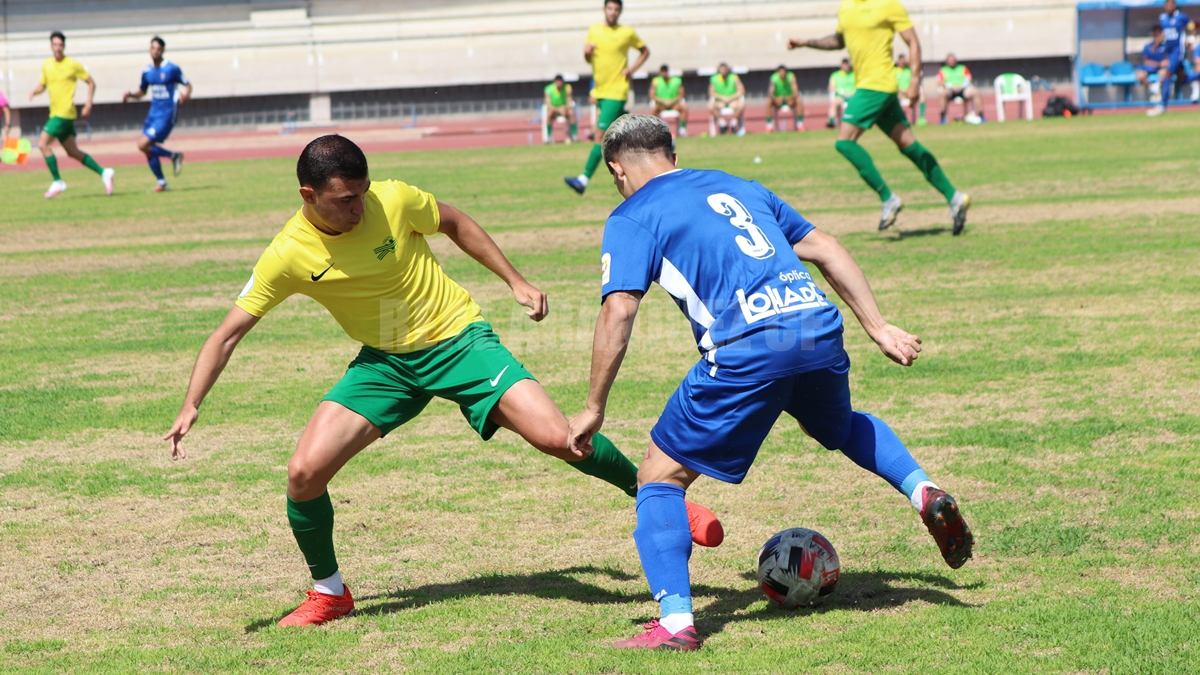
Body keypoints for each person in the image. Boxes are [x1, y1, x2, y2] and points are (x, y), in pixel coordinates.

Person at [163, 135, 721, 628]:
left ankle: (655, 495)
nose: (360, 207)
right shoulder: (287, 254)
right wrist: (192, 404)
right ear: (309, 196)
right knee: (303, 474)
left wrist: (515, 281)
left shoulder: (392, 197)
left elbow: (452, 221)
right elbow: (228, 333)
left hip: (459, 339)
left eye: (362, 193)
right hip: (386, 362)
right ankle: (329, 593)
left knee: (560, 438)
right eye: (345, 200)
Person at [566, 114, 974, 651]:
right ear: (673, 153)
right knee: (837, 426)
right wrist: (878, 327)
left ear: (616, 169)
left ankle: (674, 624)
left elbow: (618, 310)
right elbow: (825, 247)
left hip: (749, 345)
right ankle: (923, 491)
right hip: (816, 324)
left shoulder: (630, 215)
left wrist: (594, 406)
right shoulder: (738, 185)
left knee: (658, 479)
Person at [788, 0, 972, 234]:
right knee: (909, 145)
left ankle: (889, 198)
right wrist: (805, 42)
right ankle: (954, 197)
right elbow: (838, 40)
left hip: (875, 86)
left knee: (844, 142)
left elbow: (913, 41)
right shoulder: (846, 7)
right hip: (876, 88)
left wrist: (915, 80)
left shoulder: (888, 5)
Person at [564, 0, 648, 195]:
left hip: (616, 90)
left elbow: (645, 51)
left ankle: (583, 179)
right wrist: (586, 53)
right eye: (610, 8)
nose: (613, 12)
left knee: (600, 135)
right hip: (600, 91)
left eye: (616, 9)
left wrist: (631, 69)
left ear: (620, 12)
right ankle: (665, 141)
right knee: (627, 125)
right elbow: (589, 58)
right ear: (605, 9)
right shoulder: (594, 30)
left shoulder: (626, 32)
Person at [28, 31, 114, 199]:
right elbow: (42, 84)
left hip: (64, 113)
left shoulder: (72, 64)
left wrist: (88, 104)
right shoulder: (47, 65)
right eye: (55, 45)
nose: (58, 48)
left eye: (60, 45)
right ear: (51, 46)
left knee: (43, 144)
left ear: (64, 46)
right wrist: (34, 92)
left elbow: (91, 82)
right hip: (56, 113)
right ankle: (104, 173)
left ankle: (58, 181)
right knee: (73, 152)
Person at [122, 36, 191, 191]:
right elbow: (143, 91)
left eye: (158, 49)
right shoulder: (147, 71)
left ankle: (173, 156)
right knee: (147, 148)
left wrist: (186, 95)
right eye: (153, 48)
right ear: (149, 49)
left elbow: (188, 84)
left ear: (163, 51)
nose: (155, 51)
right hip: (152, 114)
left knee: (142, 144)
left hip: (166, 114)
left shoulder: (172, 68)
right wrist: (131, 94)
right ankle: (162, 182)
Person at [1148, 0, 1191, 116]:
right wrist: (1155, 45)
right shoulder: (1162, 18)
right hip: (1170, 52)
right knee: (1183, 79)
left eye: (1171, 4)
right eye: (1167, 4)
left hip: (1178, 51)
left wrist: (1191, 39)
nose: (1169, 6)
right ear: (1165, 6)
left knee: (1167, 75)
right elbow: (1164, 33)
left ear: (1175, 5)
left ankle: (1162, 105)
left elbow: (1191, 27)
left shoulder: (1182, 17)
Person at [936, 53, 984, 124]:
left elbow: (969, 78)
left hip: (963, 88)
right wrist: (949, 86)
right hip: (950, 90)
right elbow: (939, 82)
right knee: (943, 94)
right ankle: (943, 118)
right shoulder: (943, 70)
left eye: (953, 60)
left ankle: (981, 115)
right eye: (950, 60)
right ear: (946, 61)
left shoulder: (962, 68)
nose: (951, 61)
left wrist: (962, 85)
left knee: (976, 92)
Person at [649, 64, 688, 136]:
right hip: (661, 105)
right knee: (654, 109)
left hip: (674, 104)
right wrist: (663, 101)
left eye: (665, 71)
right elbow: (652, 95)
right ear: (660, 72)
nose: (664, 73)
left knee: (684, 107)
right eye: (662, 72)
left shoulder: (676, 80)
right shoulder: (655, 81)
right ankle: (657, 130)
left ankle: (682, 129)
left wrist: (672, 101)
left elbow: (682, 94)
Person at [707, 62, 746, 135]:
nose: (723, 71)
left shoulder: (734, 77)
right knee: (710, 106)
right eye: (721, 69)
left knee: (741, 105)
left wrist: (731, 97)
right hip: (720, 102)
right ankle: (722, 123)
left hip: (733, 101)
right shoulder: (714, 79)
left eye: (725, 69)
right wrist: (722, 97)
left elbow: (742, 90)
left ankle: (733, 122)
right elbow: (711, 93)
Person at [764, 64, 803, 132]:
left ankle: (800, 124)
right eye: (780, 72)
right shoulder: (774, 78)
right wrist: (776, 99)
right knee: (768, 102)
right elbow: (770, 92)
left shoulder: (791, 77)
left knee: (799, 101)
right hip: (778, 101)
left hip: (790, 100)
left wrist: (791, 98)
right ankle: (769, 125)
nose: (782, 74)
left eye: (783, 72)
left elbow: (796, 91)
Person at [543, 74, 577, 144]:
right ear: (554, 82)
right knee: (549, 114)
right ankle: (548, 137)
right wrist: (558, 109)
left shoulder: (567, 88)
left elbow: (569, 101)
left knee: (571, 112)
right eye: (557, 81)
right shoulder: (548, 89)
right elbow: (548, 104)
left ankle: (574, 136)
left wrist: (565, 108)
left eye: (560, 81)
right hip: (554, 111)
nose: (559, 83)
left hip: (565, 110)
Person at [894, 54, 926, 126]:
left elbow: (919, 74)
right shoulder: (894, 71)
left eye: (903, 60)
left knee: (922, 96)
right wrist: (902, 91)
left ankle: (921, 119)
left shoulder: (910, 70)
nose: (902, 62)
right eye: (900, 60)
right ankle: (899, 120)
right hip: (899, 93)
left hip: (909, 92)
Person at [1137, 27, 1167, 97]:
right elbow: (1145, 61)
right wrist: (1157, 64)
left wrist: (1164, 63)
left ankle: (1157, 86)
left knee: (1165, 73)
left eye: (1159, 33)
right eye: (1156, 33)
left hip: (1160, 69)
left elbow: (1168, 59)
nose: (1158, 35)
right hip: (1148, 68)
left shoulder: (1165, 46)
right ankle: (1152, 87)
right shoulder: (1147, 46)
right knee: (1140, 75)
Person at [827, 58, 856, 128]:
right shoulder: (835, 75)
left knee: (849, 107)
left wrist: (852, 93)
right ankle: (831, 122)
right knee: (834, 103)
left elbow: (858, 86)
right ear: (841, 65)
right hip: (840, 96)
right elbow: (831, 87)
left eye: (847, 64)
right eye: (844, 64)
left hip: (852, 96)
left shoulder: (854, 74)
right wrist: (840, 92)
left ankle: (847, 123)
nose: (845, 66)